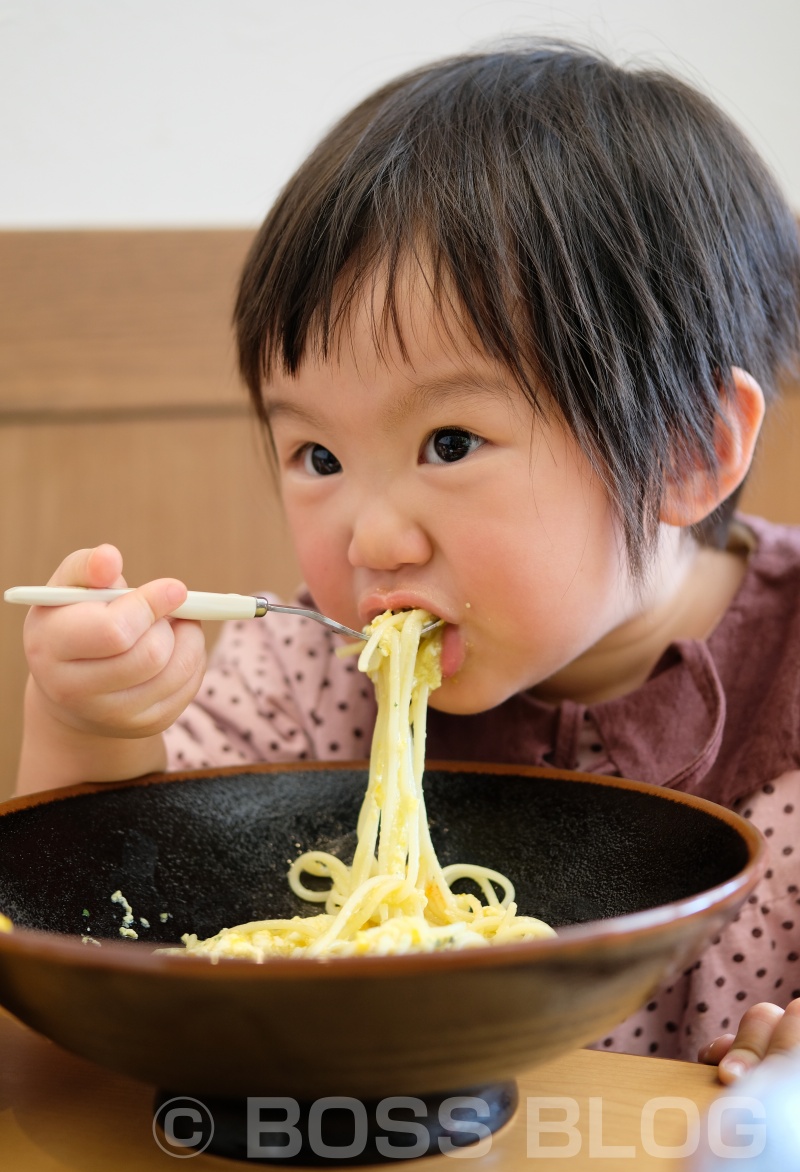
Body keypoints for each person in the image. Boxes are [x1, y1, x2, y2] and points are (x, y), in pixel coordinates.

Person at [14, 43, 800, 1083]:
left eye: (449, 443)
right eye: (319, 456)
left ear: (686, 453)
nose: (372, 538)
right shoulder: (304, 688)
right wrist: (88, 728)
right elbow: (103, 918)